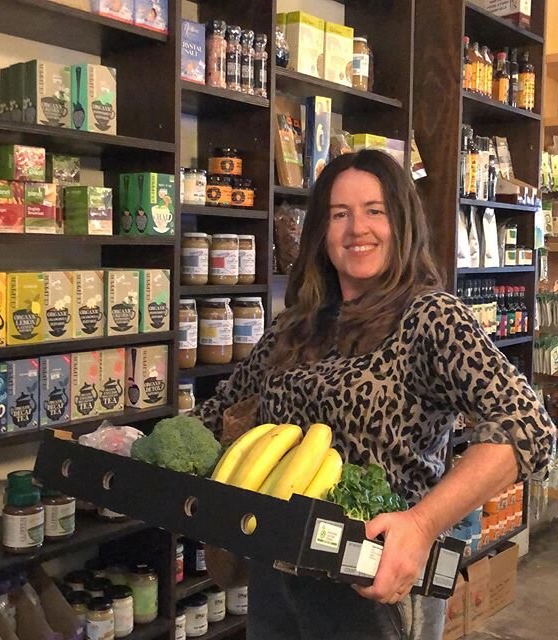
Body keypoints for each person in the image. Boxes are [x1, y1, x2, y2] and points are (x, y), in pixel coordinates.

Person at [191, 149, 556, 640]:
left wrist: (423, 524)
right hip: (276, 575)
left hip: (374, 581)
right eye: (339, 214)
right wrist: (137, 446)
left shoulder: (431, 318)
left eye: (374, 211)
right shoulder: (295, 326)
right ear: (321, 230)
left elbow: (528, 424)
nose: (356, 228)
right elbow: (223, 411)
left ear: (401, 222)